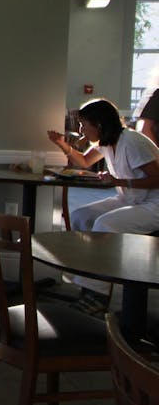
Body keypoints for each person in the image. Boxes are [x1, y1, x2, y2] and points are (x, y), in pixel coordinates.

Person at [48, 97, 159, 316]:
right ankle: (89, 284)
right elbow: (84, 162)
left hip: (154, 203)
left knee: (105, 223)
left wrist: (118, 181)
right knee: (81, 216)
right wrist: (62, 144)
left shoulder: (132, 142)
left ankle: (98, 295)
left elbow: (157, 178)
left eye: (84, 124)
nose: (81, 130)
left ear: (98, 124)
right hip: (132, 198)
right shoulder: (107, 143)